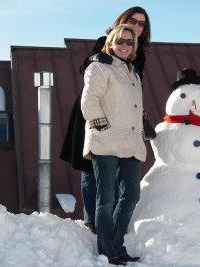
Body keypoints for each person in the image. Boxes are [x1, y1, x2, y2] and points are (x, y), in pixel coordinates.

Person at [59, 6, 151, 235]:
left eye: (141, 23)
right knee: (90, 166)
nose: (136, 26)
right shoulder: (105, 40)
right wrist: (94, 56)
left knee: (118, 172)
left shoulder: (140, 54)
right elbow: (85, 68)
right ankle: (92, 220)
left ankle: (112, 223)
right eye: (133, 20)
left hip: (121, 117)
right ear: (123, 20)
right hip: (95, 110)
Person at [81, 24, 146, 266]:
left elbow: (131, 105)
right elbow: (89, 101)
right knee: (106, 198)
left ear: (133, 47)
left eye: (129, 42)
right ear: (111, 42)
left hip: (130, 141)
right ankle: (107, 250)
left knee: (131, 195)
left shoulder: (132, 72)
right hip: (105, 141)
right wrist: (102, 127)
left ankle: (118, 244)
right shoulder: (99, 66)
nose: (124, 45)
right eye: (120, 41)